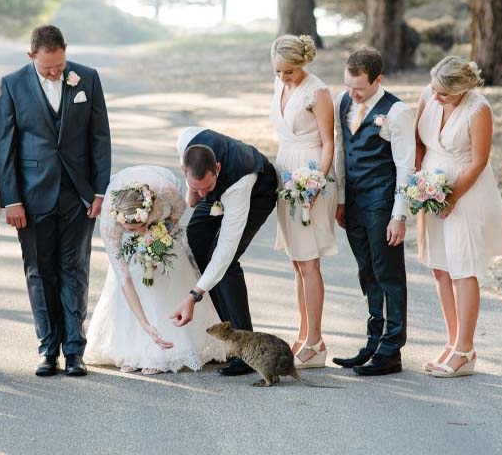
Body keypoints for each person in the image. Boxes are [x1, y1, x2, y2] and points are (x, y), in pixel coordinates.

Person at [0, 25, 111, 377]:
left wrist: (100, 191)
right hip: (31, 196)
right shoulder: (12, 85)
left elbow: (99, 137)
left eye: (59, 65)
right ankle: (48, 348)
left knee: (74, 268)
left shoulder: (87, 79)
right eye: (47, 67)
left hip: (78, 195)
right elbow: (5, 146)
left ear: (65, 53)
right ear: (31, 56)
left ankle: (75, 350)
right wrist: (11, 199)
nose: (55, 72)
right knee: (39, 272)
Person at [415, 56, 502, 378]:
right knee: (441, 269)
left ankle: (465, 350)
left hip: (466, 194)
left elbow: (478, 162)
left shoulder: (478, 110)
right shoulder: (428, 96)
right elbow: (418, 142)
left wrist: (452, 197)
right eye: (434, 90)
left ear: (463, 89)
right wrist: (422, 184)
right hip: (431, 191)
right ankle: (453, 342)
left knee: (462, 269)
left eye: (443, 94)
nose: (435, 98)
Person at [86, 166, 226, 374]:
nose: (139, 232)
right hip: (133, 210)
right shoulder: (111, 225)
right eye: (132, 230)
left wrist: (159, 240)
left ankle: (165, 348)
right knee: (133, 269)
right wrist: (144, 323)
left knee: (165, 271)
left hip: (164, 221)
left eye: (142, 226)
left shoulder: (166, 191)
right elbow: (124, 280)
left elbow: (178, 212)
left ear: (150, 212)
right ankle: (133, 350)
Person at [332, 47, 414, 376]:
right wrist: (340, 198)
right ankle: (373, 341)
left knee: (388, 274)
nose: (353, 94)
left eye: (360, 89)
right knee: (367, 273)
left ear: (378, 80)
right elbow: (341, 150)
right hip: (353, 202)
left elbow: (405, 165)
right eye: (349, 86)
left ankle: (392, 350)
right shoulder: (342, 100)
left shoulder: (397, 112)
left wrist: (399, 215)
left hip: (382, 204)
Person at [171, 128, 278, 377]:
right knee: (196, 238)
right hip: (214, 184)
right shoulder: (186, 139)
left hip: (258, 192)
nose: (203, 194)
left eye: (206, 187)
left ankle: (245, 347)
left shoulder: (238, 183)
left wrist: (194, 294)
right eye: (197, 187)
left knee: (226, 264)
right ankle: (225, 334)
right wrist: (194, 192)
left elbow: (226, 249)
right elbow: (200, 191)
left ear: (217, 168)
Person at [269, 34, 337, 369]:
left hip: (310, 174)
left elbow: (328, 144)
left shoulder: (318, 92)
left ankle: (316, 341)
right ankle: (303, 332)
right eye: (278, 71)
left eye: (289, 73)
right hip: (286, 172)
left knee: (309, 262)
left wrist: (315, 185)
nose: (283, 78)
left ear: (303, 64)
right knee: (297, 260)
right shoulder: (279, 84)